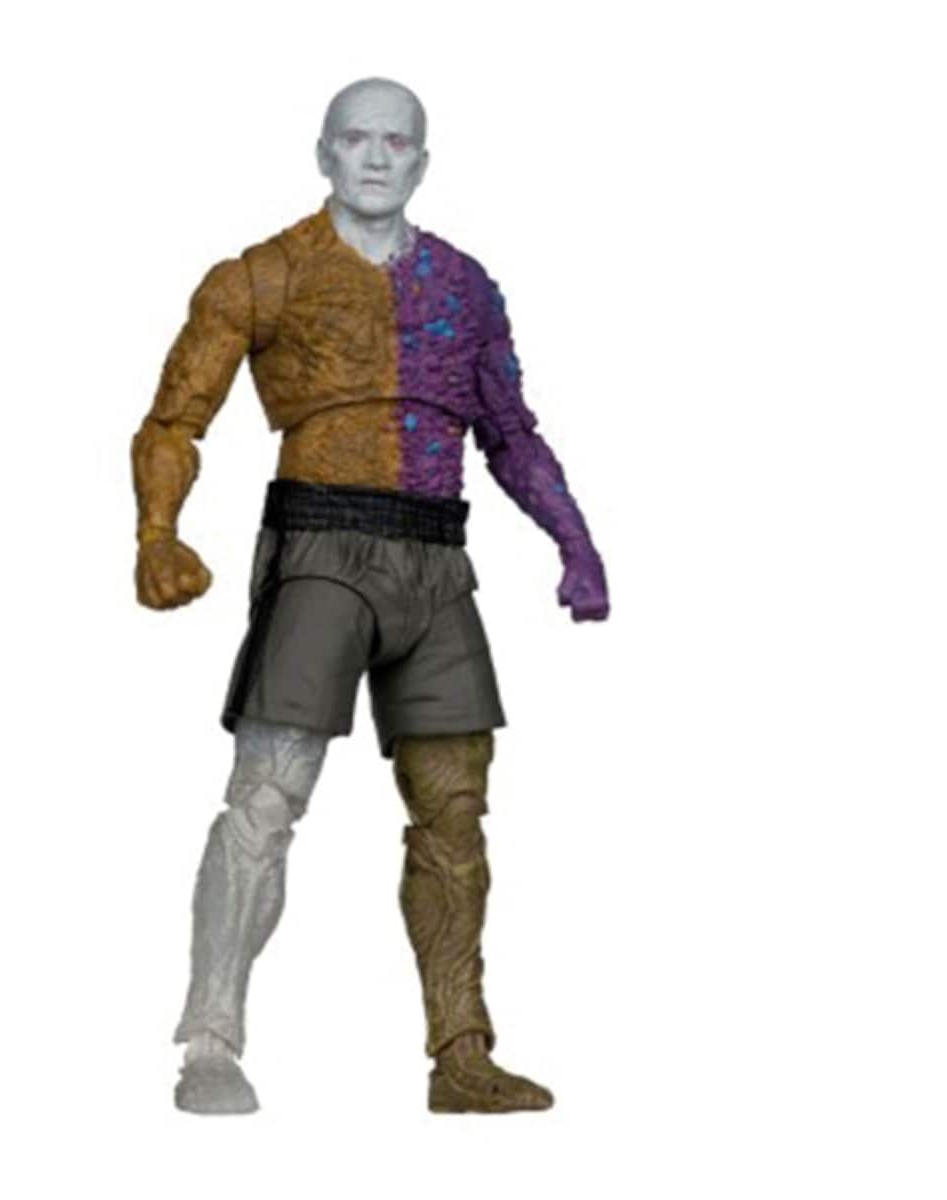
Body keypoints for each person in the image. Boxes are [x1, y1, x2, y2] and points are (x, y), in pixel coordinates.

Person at [132, 76, 609, 1114]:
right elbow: (173, 419)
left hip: (437, 562)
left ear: (422, 161)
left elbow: (510, 433)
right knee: (267, 794)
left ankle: (462, 1054)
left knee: (456, 810)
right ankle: (209, 1041)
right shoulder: (264, 274)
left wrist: (574, 540)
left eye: (398, 142)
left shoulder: (466, 287)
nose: (378, 158)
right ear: (325, 153)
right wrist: (157, 535)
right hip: (320, 549)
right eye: (358, 139)